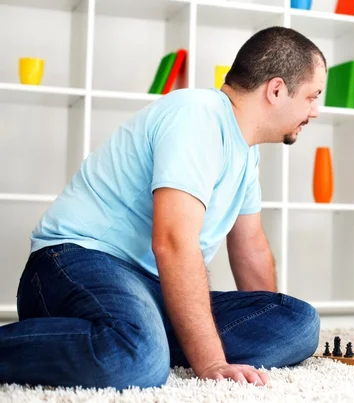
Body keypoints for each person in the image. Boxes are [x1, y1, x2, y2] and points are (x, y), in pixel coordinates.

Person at [0, 26, 327, 390]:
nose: (315, 111)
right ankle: (138, 344)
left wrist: (267, 309)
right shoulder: (197, 116)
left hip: (152, 289)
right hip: (77, 263)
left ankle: (139, 338)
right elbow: (172, 242)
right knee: (137, 360)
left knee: (296, 322)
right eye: (313, 96)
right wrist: (212, 362)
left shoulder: (246, 151)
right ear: (277, 89)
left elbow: (251, 249)